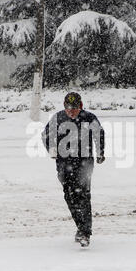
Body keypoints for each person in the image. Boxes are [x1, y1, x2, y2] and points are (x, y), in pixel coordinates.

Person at [42, 92, 105, 247]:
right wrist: (52, 149)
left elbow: (99, 134)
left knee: (83, 196)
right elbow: (46, 135)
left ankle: (85, 232)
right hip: (64, 164)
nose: (71, 111)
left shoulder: (89, 118)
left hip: (84, 164)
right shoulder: (58, 118)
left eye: (75, 108)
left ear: (81, 106)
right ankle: (80, 227)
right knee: (70, 197)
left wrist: (101, 152)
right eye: (68, 108)